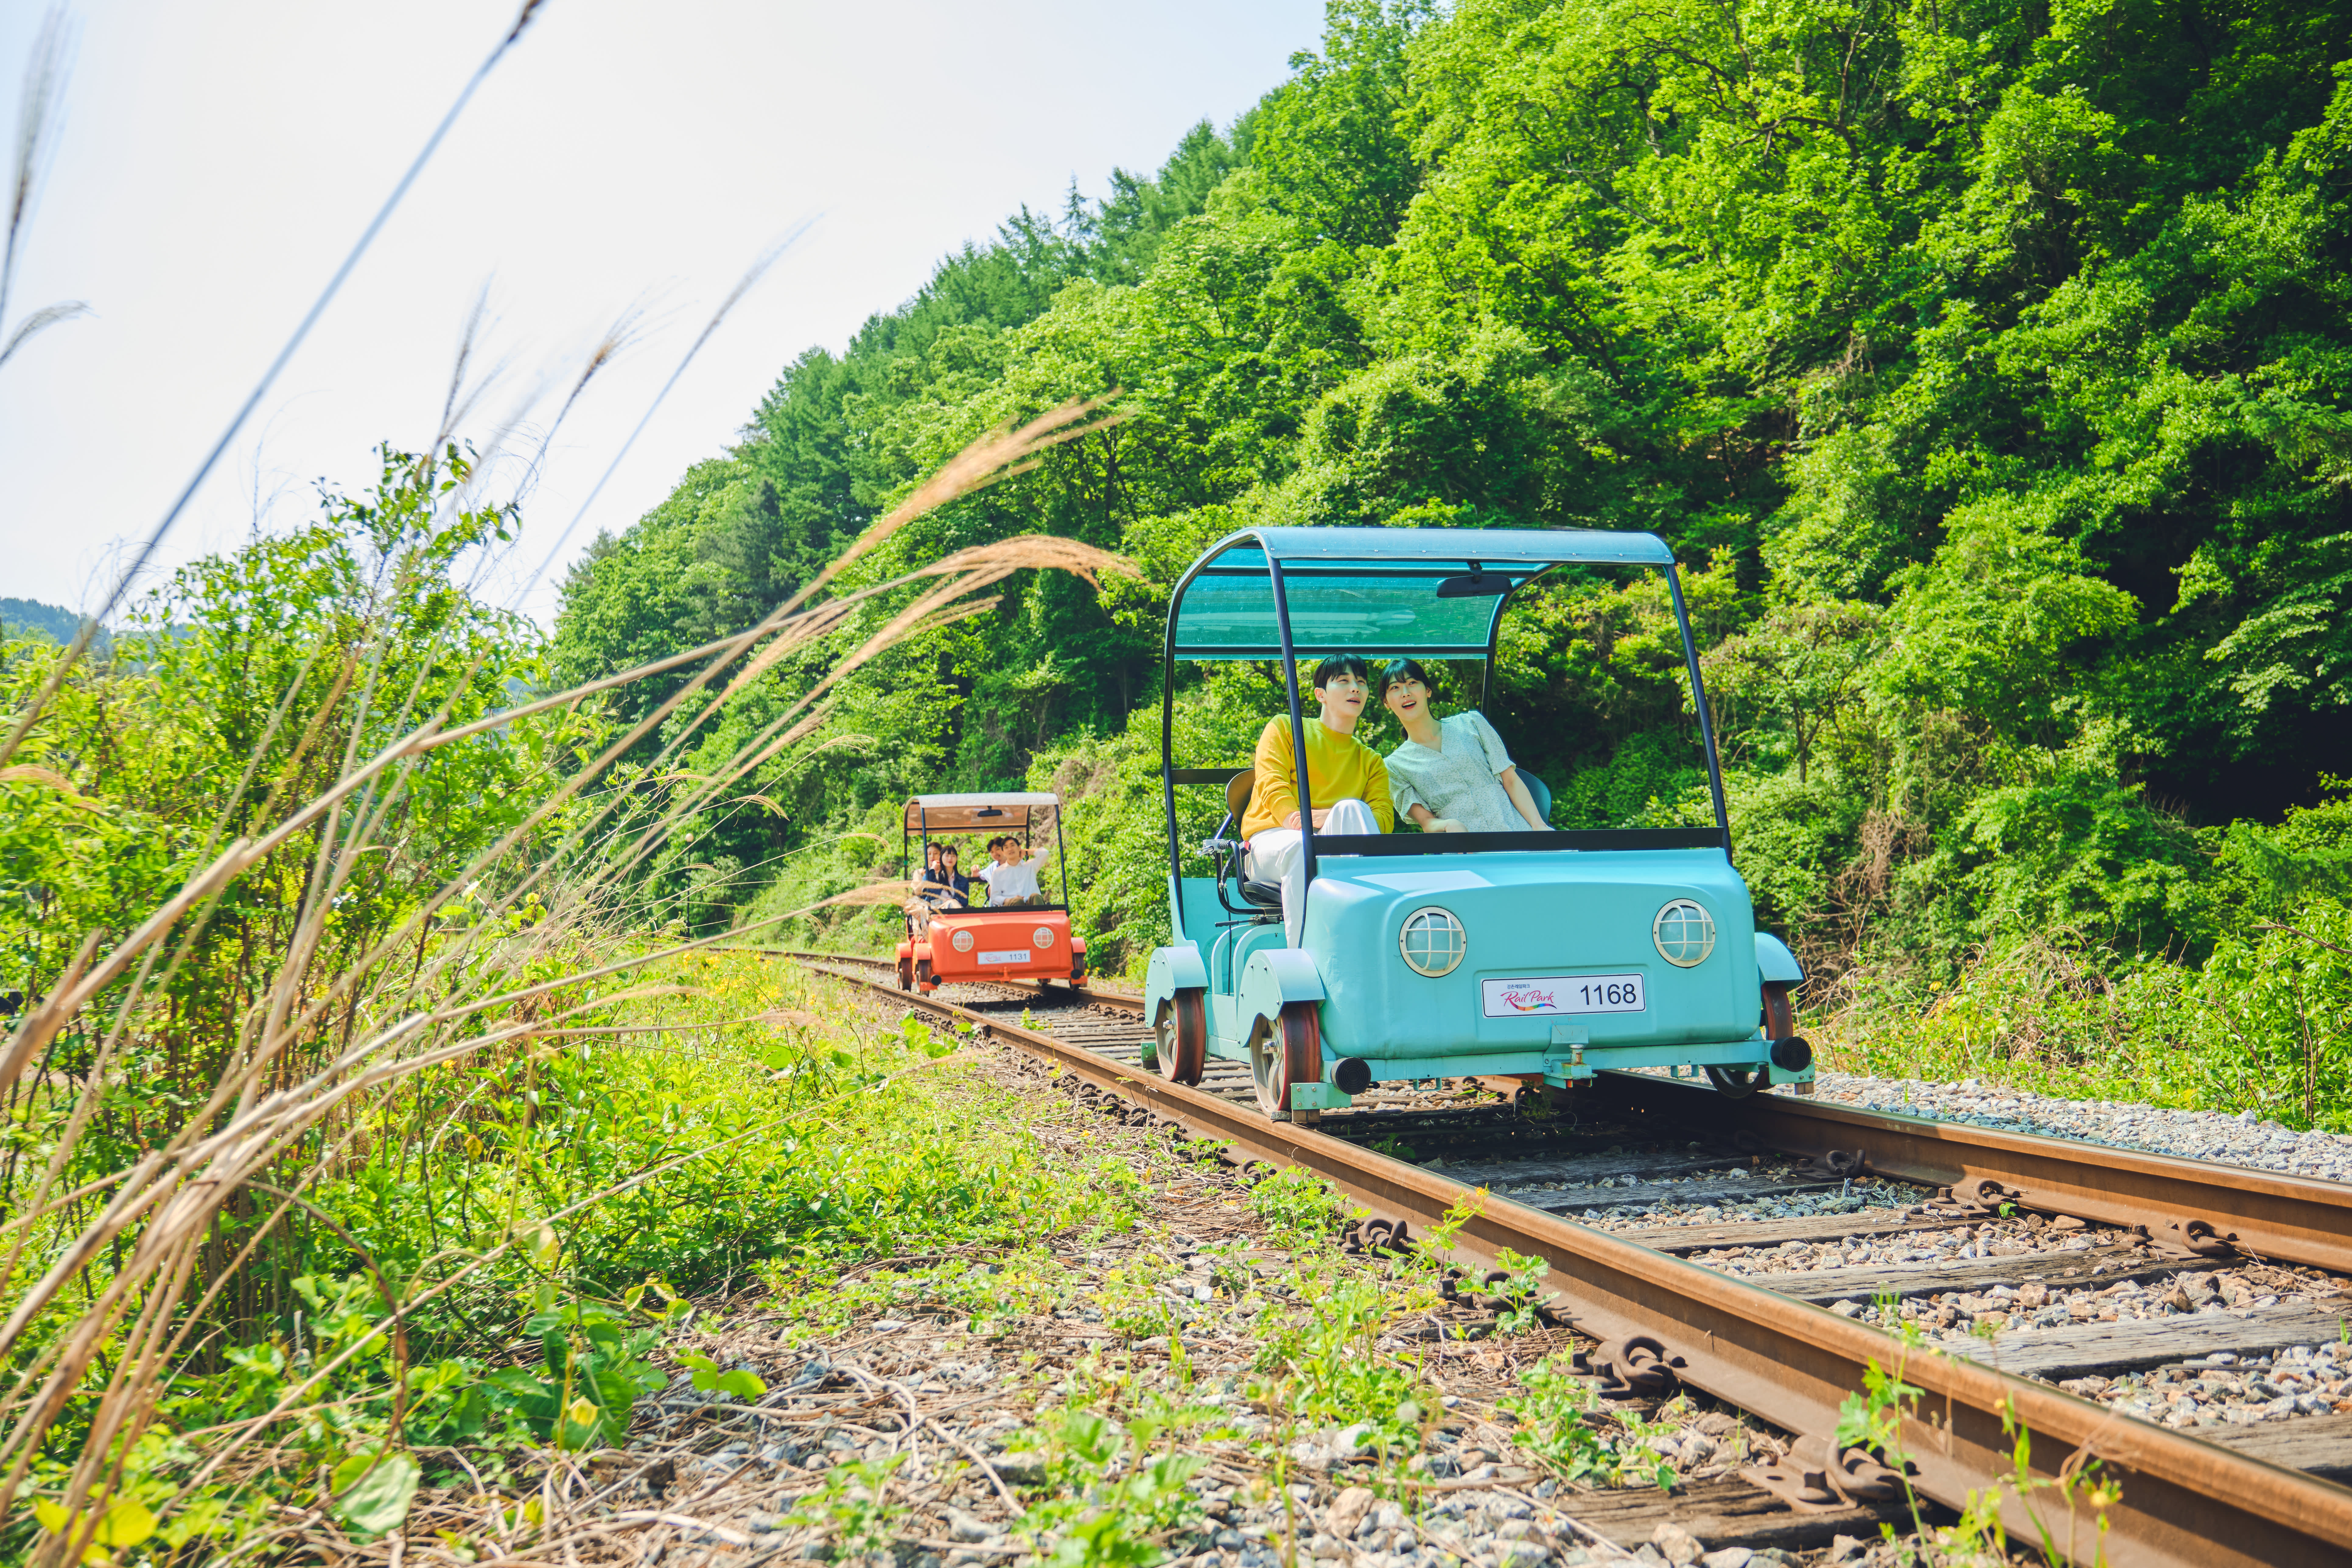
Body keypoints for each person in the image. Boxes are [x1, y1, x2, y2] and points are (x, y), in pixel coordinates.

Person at [1241, 654, 1395, 944]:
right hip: (1275, 840)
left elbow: (1384, 820)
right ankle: (1305, 956)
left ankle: (1369, 938)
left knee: (1352, 809)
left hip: (1338, 844)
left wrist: (1326, 817)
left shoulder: (1372, 761)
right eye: (1344, 681)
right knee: (1303, 847)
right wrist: (1297, 821)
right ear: (1320, 695)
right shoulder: (1286, 727)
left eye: (1361, 683)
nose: (1356, 689)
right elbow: (1271, 782)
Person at [1377, 658, 1550, 833]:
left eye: (1412, 683)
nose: (1405, 693)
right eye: (1395, 688)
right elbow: (1427, 823)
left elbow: (1511, 780)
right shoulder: (1394, 767)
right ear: (1386, 703)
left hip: (1518, 833)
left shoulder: (1472, 723)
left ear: (1428, 690)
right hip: (1465, 851)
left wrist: (1539, 826)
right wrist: (1448, 825)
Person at [981, 834, 1051, 908]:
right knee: (1017, 902)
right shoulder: (998, 873)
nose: (1010, 849)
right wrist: (1008, 900)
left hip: (1032, 904)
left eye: (1012, 846)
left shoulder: (1030, 866)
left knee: (1035, 897)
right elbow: (995, 897)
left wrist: (1027, 852)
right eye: (1006, 847)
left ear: (1019, 848)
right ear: (1003, 852)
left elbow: (1045, 853)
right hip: (1011, 907)